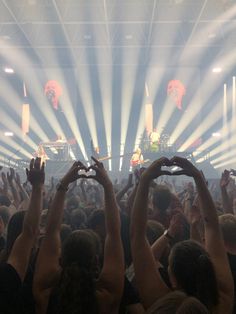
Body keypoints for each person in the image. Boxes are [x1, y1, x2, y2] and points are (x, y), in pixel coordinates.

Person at [130, 157, 234, 313]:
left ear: (172, 277)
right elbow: (212, 226)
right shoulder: (222, 300)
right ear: (207, 266)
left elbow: (137, 235)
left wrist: (144, 181)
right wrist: (198, 179)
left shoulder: (160, 303)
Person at [33, 157, 124, 314]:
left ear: (61, 259)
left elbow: (51, 231)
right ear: (96, 260)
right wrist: (108, 186)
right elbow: (114, 234)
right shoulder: (107, 297)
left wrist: (63, 185)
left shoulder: (45, 294)